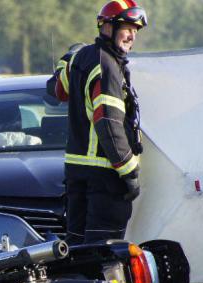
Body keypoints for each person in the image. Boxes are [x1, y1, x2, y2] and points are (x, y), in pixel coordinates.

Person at [50, 0, 147, 245]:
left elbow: (57, 89)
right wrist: (129, 172)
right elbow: (107, 122)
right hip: (105, 178)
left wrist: (67, 59)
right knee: (104, 255)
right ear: (107, 27)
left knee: (76, 252)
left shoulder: (83, 57)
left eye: (135, 31)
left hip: (77, 174)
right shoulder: (108, 66)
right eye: (127, 28)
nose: (131, 37)